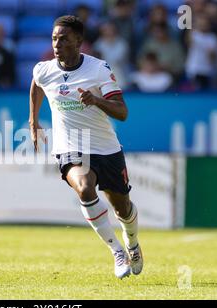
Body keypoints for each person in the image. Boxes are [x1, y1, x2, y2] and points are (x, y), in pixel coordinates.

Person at [29, 16, 142, 280]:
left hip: (106, 147)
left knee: (122, 208)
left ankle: (133, 243)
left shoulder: (98, 69)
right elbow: (37, 84)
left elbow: (122, 112)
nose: (57, 44)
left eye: (64, 39)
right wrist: (34, 120)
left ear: (79, 41)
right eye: (54, 38)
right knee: (84, 187)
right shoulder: (43, 69)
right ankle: (116, 251)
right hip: (70, 145)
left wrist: (96, 101)